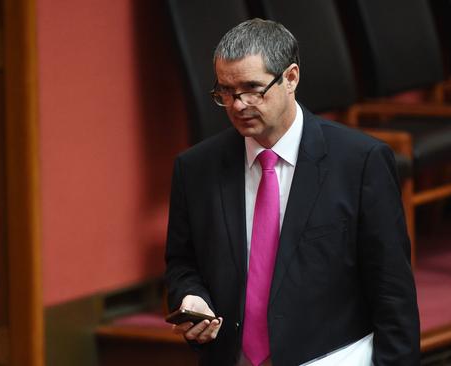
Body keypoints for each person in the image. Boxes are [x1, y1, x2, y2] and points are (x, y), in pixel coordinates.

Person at [165, 18, 419, 366]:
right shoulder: (195, 168)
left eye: (253, 88)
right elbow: (182, 263)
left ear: (291, 78)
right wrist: (190, 295)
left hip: (334, 357)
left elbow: (393, 290)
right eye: (225, 91)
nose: (238, 104)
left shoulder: (359, 162)